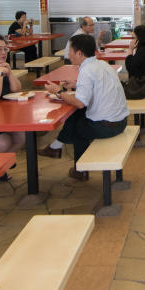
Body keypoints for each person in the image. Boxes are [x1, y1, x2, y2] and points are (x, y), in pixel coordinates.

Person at [41, 34, 128, 181]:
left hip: (109, 126)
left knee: (77, 128)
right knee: (76, 115)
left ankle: (80, 170)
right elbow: (96, 86)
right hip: (121, 121)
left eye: (70, 51)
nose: (68, 54)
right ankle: (55, 148)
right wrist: (76, 85)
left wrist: (59, 92)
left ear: (80, 53)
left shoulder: (86, 70)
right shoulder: (102, 64)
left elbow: (80, 102)